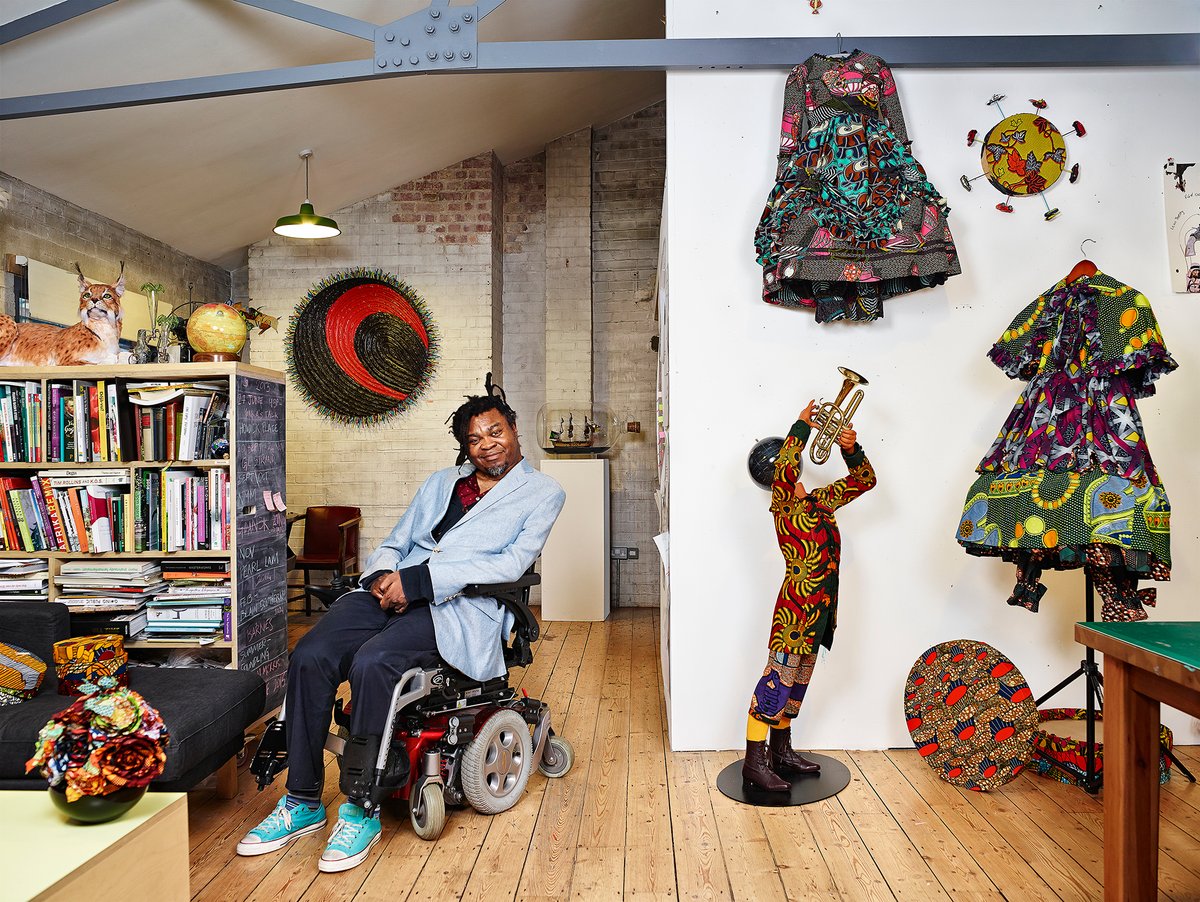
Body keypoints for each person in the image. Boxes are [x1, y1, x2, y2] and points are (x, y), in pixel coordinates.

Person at [237, 384, 566, 872]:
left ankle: (361, 807)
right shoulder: (440, 482)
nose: (487, 443)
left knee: (375, 662)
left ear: (514, 430)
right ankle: (302, 800)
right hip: (394, 590)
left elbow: (512, 563)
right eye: (475, 438)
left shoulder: (543, 493)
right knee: (311, 654)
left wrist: (420, 582)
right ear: (465, 447)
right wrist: (381, 577)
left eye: (496, 431)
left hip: (459, 606)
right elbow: (397, 538)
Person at [743, 399, 877, 792]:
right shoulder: (783, 505)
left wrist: (850, 448)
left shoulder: (820, 502)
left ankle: (781, 753)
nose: (792, 470)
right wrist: (800, 427)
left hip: (818, 614)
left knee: (796, 685)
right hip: (793, 613)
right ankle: (755, 763)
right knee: (774, 686)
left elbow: (864, 480)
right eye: (784, 465)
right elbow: (785, 466)